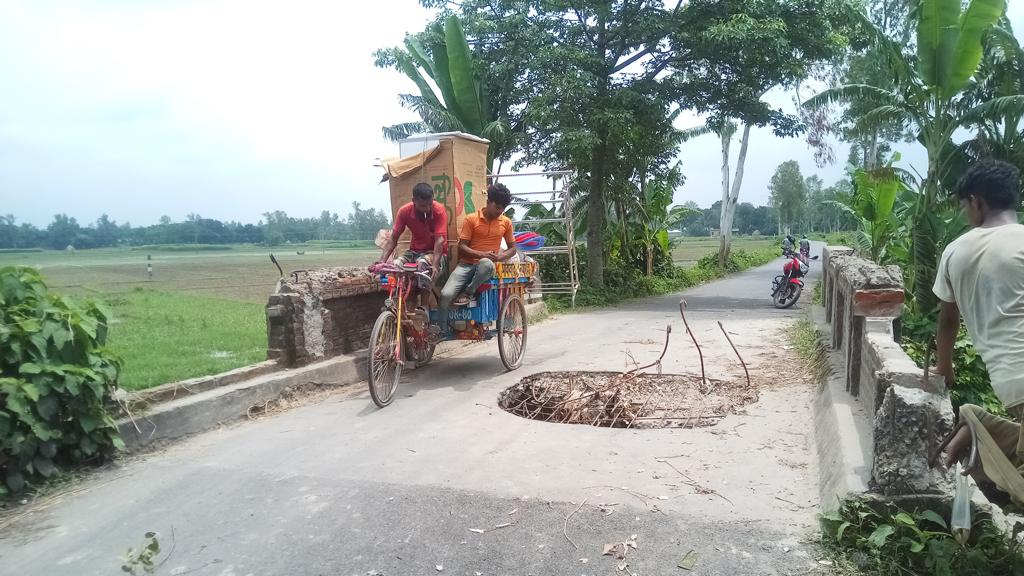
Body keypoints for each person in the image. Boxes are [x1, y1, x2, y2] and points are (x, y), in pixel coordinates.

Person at [930, 159, 1024, 501]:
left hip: (1011, 383)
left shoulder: (956, 251)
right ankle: (981, 431)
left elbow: (947, 320)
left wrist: (944, 367)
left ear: (976, 202)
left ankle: (979, 428)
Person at [437, 182, 517, 333]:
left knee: (486, 263)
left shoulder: (506, 223)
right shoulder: (471, 219)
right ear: (488, 202)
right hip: (465, 265)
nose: (500, 211)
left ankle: (468, 292)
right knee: (445, 295)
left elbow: (513, 249)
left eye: (502, 208)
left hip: (486, 267)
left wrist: (500, 257)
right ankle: (440, 331)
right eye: (497, 207)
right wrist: (481, 254)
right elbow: (462, 246)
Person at [378, 182, 447, 281]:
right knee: (396, 265)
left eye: (430, 204)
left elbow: (439, 241)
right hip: (414, 251)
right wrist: (382, 262)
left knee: (422, 266)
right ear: (414, 201)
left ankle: (424, 296)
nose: (427, 209)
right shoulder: (404, 211)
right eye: (423, 206)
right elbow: (393, 238)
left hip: (434, 253)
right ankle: (399, 295)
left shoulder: (439, 210)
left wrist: (435, 265)